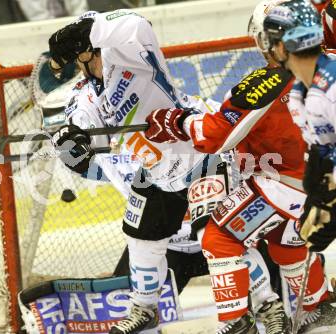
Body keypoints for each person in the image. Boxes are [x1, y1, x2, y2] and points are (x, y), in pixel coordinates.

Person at [144, 0, 334, 333]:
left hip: (284, 184)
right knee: (286, 244)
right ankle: (318, 308)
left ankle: (236, 322)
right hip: (322, 186)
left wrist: (177, 121)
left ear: (275, 42)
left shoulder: (266, 82)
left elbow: (216, 135)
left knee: (219, 236)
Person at [47, 9, 231, 334]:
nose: (79, 66)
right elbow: (81, 115)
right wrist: (73, 131)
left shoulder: (132, 56)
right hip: (159, 172)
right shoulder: (89, 89)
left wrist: (89, 29)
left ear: (92, 48)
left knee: (228, 238)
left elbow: (136, 22)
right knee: (140, 235)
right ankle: (144, 310)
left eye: (81, 55)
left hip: (199, 156)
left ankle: (260, 304)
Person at [264, 0, 336, 295]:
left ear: (283, 46)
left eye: (271, 41)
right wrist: (315, 193)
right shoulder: (299, 93)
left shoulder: (329, 90)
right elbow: (323, 151)